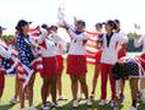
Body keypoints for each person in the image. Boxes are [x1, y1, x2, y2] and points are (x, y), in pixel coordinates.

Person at [59, 18, 92, 107]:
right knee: (73, 80)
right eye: (77, 25)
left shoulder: (85, 35)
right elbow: (70, 31)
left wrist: (68, 28)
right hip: (71, 58)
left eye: (81, 25)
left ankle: (87, 98)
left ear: (84, 26)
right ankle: (75, 100)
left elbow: (75, 36)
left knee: (82, 80)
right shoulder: (73, 33)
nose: (78, 26)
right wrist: (65, 25)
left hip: (80, 58)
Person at [98, 20, 128, 107]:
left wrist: (118, 29)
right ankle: (103, 99)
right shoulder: (102, 35)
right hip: (103, 60)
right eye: (105, 25)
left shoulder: (117, 35)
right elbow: (100, 46)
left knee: (113, 82)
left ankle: (113, 99)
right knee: (103, 81)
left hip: (112, 61)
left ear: (111, 26)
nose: (105, 26)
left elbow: (125, 39)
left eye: (106, 25)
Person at [15, 20, 36, 110]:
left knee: (30, 85)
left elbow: (33, 49)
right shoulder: (19, 37)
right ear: (23, 27)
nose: (29, 26)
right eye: (27, 25)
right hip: (24, 64)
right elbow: (21, 52)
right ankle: (22, 107)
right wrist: (27, 65)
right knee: (22, 85)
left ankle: (31, 106)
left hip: (31, 63)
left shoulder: (29, 37)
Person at [37, 26, 58, 110]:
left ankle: (54, 102)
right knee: (46, 83)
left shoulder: (50, 39)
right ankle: (44, 104)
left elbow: (61, 41)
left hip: (53, 61)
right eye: (48, 29)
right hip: (46, 62)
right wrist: (41, 29)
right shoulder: (40, 39)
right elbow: (44, 33)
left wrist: (53, 34)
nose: (49, 31)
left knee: (54, 83)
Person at [114, 19, 128, 103]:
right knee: (115, 77)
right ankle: (115, 94)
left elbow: (125, 46)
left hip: (122, 58)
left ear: (119, 25)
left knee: (122, 77)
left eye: (117, 24)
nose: (115, 25)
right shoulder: (112, 34)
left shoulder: (123, 33)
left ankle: (122, 94)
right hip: (113, 58)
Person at [49, 25, 65, 100]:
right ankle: (48, 96)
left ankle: (60, 94)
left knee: (59, 77)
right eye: (51, 29)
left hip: (58, 57)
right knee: (50, 78)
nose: (53, 30)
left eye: (54, 29)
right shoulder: (48, 38)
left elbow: (63, 50)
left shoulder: (59, 38)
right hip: (51, 58)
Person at [90, 23, 103, 99]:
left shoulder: (103, 34)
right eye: (96, 27)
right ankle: (93, 91)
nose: (97, 28)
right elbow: (97, 46)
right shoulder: (97, 36)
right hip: (99, 56)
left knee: (104, 76)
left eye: (98, 27)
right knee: (96, 75)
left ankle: (102, 94)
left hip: (105, 56)